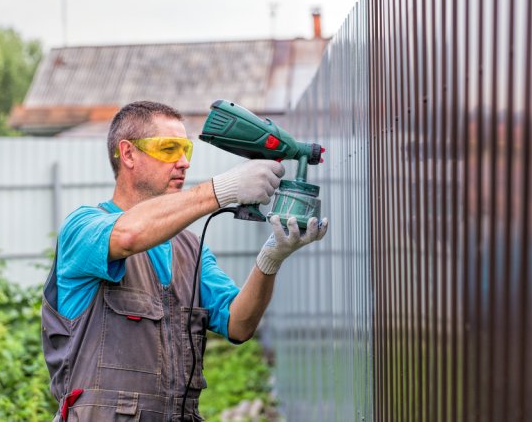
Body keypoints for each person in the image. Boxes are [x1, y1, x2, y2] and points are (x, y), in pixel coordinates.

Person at [41, 100, 328, 421]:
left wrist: (270, 259)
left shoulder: (189, 248)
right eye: (168, 149)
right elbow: (128, 236)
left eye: (186, 150)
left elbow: (239, 324)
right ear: (128, 153)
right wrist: (222, 190)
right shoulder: (82, 228)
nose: (183, 162)